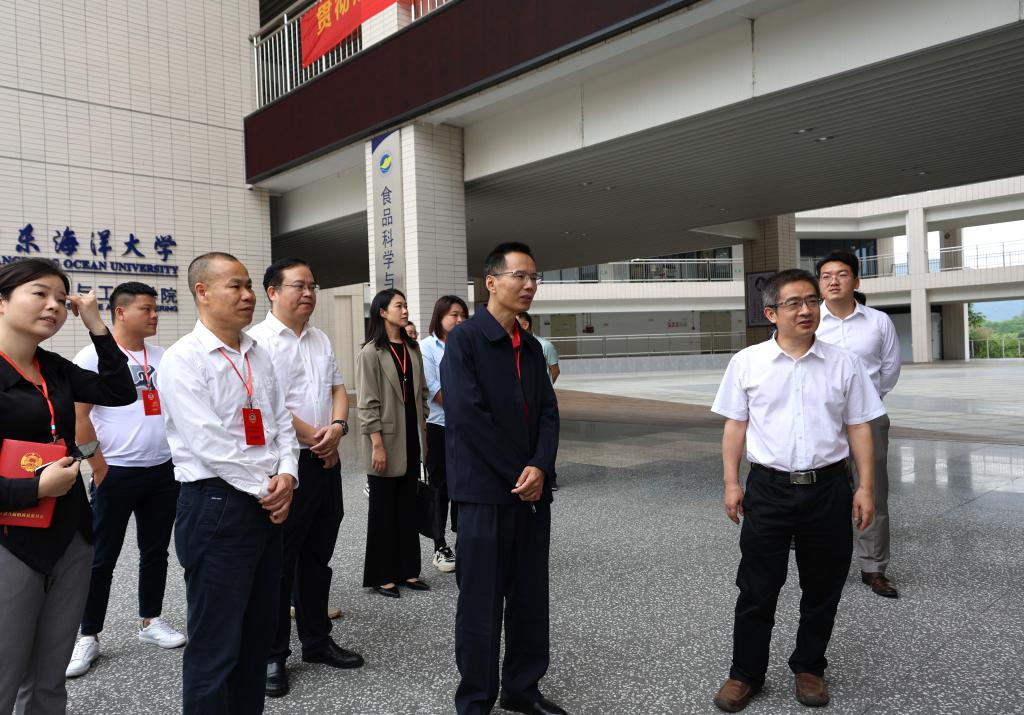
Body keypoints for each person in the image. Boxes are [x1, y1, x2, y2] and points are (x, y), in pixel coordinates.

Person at [710, 268, 883, 713]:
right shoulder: (747, 362)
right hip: (768, 489)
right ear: (771, 313)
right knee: (757, 588)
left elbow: (859, 426)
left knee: (823, 587)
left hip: (829, 488)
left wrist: (865, 487)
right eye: (794, 303)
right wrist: (731, 483)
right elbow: (735, 426)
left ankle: (809, 667)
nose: (806, 310)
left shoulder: (844, 363)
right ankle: (745, 673)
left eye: (811, 301)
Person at [158, 252, 300, 715]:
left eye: (248, 286)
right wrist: (268, 489)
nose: (247, 295)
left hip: (267, 499)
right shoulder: (183, 358)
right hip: (217, 504)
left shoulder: (258, 352)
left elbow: (281, 423)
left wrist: (288, 474)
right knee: (215, 645)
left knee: (257, 638)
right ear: (202, 292)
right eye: (235, 286)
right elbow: (209, 443)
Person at [0, 258, 136, 714]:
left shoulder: (54, 368)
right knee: (5, 675)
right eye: (39, 294)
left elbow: (120, 391)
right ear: (2, 301)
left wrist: (97, 325)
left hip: (70, 536)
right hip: (10, 541)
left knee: (49, 677)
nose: (54, 306)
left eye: (61, 299)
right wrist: (34, 489)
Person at [441, 242, 563, 715]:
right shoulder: (465, 340)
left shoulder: (531, 347)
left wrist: (541, 466)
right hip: (485, 494)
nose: (529, 285)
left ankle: (522, 688)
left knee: (530, 598)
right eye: (520, 276)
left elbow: (549, 413)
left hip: (531, 494)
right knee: (481, 601)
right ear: (491, 282)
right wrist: (521, 472)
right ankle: (476, 698)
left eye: (534, 277)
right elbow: (468, 416)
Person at [248, 258, 363, 698]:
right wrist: (318, 437)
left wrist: (337, 428)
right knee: (279, 563)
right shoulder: (257, 342)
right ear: (273, 292)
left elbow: (337, 389)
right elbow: (267, 404)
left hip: (324, 459)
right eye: (299, 286)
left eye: (313, 286)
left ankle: (316, 641)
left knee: (318, 555)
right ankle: (272, 654)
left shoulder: (320, 338)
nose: (309, 293)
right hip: (285, 464)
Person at [66, 282, 185, 680]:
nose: (154, 315)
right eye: (146, 309)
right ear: (120, 312)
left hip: (162, 471)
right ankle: (88, 635)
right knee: (101, 557)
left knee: (155, 551)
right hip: (114, 472)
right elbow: (79, 418)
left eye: (155, 309)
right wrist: (98, 468)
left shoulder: (163, 357)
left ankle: (151, 621)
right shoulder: (92, 356)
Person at [815, 251, 901, 598]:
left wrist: (867, 400)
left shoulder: (878, 321)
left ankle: (873, 568)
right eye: (826, 276)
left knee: (872, 490)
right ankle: (823, 563)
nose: (833, 281)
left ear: (856, 280)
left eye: (841, 274)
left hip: (868, 417)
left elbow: (890, 368)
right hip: (821, 418)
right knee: (823, 492)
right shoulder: (810, 320)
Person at [356, 288, 429, 598]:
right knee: (383, 510)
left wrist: (423, 422)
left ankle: (408, 571)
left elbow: (422, 393)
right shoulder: (371, 352)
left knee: (407, 506)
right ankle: (381, 575)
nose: (405, 310)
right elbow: (366, 403)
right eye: (398, 306)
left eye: (405, 305)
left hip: (412, 436)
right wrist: (377, 444)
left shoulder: (412, 348)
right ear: (382, 312)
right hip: (384, 440)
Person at [420, 294, 469, 573]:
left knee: (464, 483)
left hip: (467, 427)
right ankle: (439, 545)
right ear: (439, 317)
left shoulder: (470, 345)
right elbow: (434, 390)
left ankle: (464, 539)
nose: (460, 320)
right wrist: (470, 408)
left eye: (463, 315)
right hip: (439, 426)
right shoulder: (427, 347)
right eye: (454, 315)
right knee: (440, 487)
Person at [517, 312, 560, 384]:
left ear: (525, 325)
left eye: (514, 324)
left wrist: (546, 388)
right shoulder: (513, 346)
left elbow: (555, 371)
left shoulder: (545, 345)